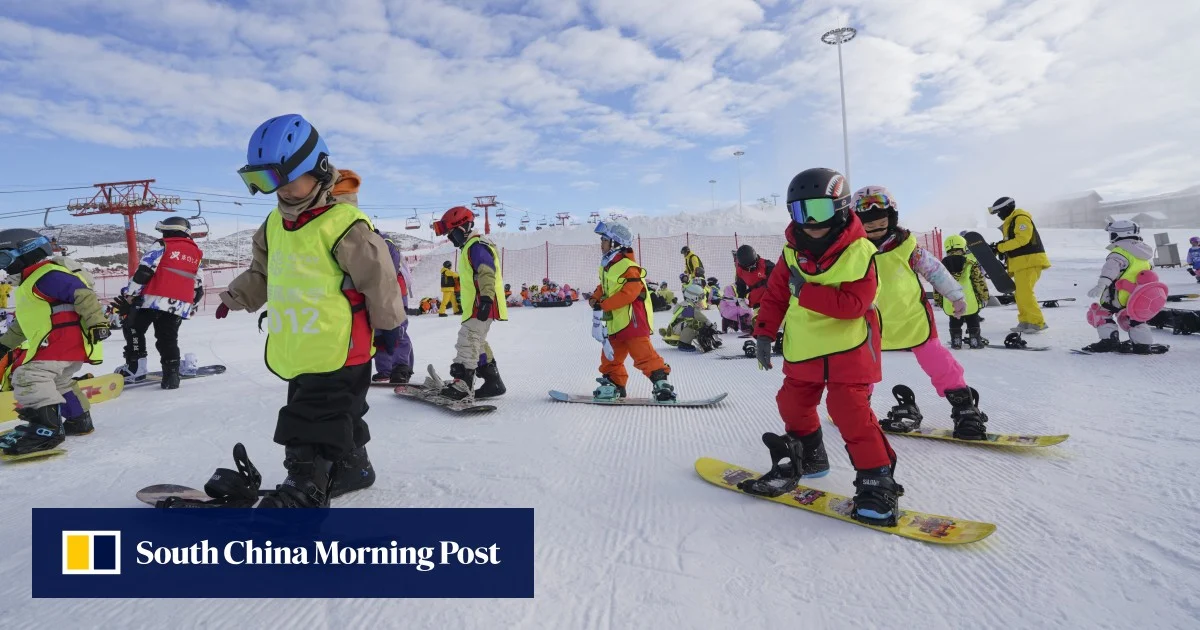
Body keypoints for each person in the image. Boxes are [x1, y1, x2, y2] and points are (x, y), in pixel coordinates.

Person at [220, 113, 405, 508]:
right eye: (266, 183)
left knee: (312, 416)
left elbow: (380, 280)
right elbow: (263, 273)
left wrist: (391, 329)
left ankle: (306, 486)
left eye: (285, 179)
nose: (280, 191)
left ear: (318, 169)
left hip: (342, 344)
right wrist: (233, 298)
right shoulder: (273, 224)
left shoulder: (344, 224)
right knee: (339, 411)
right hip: (300, 344)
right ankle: (354, 467)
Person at [738, 167, 901, 527]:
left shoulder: (861, 253)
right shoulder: (791, 251)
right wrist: (764, 332)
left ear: (842, 209)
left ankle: (877, 480)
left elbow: (854, 305)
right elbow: (777, 293)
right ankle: (811, 456)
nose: (810, 221)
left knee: (849, 411)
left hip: (850, 347)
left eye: (820, 211)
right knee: (792, 402)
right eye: (800, 212)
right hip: (806, 346)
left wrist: (806, 291)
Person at [852, 186, 990, 440]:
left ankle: (965, 408)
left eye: (881, 221)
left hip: (912, 318)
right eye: (868, 223)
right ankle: (857, 410)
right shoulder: (853, 251)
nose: (875, 228)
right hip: (871, 323)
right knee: (861, 368)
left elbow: (935, 271)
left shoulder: (908, 247)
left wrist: (956, 295)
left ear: (892, 219)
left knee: (938, 361)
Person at [0, 229, 108, 456]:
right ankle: (79, 420)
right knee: (60, 381)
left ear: (27, 252)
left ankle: (46, 430)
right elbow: (23, 324)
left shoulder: (46, 275)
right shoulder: (30, 284)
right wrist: (4, 345)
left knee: (29, 376)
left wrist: (98, 323)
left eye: (4, 258)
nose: (3, 266)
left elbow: (83, 294)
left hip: (60, 341)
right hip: (62, 344)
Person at [111, 217, 204, 389]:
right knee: (167, 338)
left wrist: (130, 294)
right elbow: (198, 284)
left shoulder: (162, 245)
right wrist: (192, 304)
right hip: (178, 304)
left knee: (133, 328)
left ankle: (135, 368)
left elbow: (145, 271)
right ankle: (171, 375)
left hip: (152, 299)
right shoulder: (196, 253)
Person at [590, 222, 675, 401]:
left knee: (643, 354)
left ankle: (661, 384)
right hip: (616, 321)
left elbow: (630, 292)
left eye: (604, 240)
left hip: (633, 319)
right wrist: (595, 298)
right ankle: (615, 383)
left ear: (615, 244)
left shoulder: (628, 266)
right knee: (610, 355)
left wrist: (604, 304)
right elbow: (604, 286)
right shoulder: (607, 265)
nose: (601, 244)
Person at [431, 206, 507, 400]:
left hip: (482, 304)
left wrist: (486, 300)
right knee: (477, 342)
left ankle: (463, 386)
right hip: (477, 305)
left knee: (468, 340)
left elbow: (486, 272)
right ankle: (493, 382)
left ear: (462, 228)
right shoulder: (470, 247)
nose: (450, 238)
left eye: (451, 233)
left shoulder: (476, 246)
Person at [1082, 220, 1166, 354]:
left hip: (1118, 295)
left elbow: (1110, 270)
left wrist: (1101, 285)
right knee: (1135, 319)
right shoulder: (1143, 254)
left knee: (1101, 314)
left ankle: (1109, 341)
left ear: (1118, 234)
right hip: (1136, 297)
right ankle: (1142, 345)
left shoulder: (1120, 252)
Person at [988, 196, 1050, 333]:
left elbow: (1023, 239)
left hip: (1029, 261)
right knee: (1021, 294)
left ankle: (1036, 322)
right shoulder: (1011, 222)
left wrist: (1001, 247)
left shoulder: (1020, 218)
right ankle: (1025, 321)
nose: (999, 215)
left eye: (999, 212)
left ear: (1006, 208)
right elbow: (1013, 243)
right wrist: (999, 247)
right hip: (1021, 263)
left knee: (1026, 293)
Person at [371, 232, 416, 384]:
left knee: (398, 329)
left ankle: (401, 368)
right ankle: (385, 370)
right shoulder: (365, 242)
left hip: (395, 291)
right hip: (376, 293)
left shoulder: (385, 243)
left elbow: (390, 270)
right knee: (378, 332)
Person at [937, 234, 990, 349]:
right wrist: (984, 296)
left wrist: (940, 301)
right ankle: (975, 340)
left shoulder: (940, 266)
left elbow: (937, 285)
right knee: (973, 318)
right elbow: (979, 282)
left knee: (954, 319)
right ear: (963, 247)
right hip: (970, 300)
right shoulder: (970, 263)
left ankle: (956, 341)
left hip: (951, 301)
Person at [659, 281, 721, 352]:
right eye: (700, 297)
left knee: (699, 325)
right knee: (694, 324)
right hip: (676, 329)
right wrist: (709, 324)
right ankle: (684, 343)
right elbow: (699, 316)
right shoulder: (688, 307)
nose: (701, 299)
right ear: (693, 297)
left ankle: (707, 340)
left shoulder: (688, 305)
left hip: (677, 328)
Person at [733, 244, 775, 318]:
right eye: (749, 267)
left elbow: (778, 276)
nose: (753, 267)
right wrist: (740, 297)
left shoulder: (765, 264)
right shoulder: (740, 271)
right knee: (760, 321)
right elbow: (740, 285)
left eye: (754, 264)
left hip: (771, 298)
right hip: (757, 302)